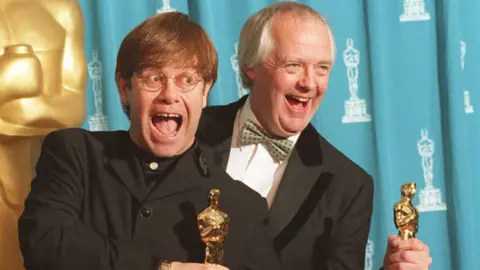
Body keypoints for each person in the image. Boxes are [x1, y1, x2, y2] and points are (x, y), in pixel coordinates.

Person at [18, 12, 280, 270]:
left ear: (205, 92)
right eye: (153, 78)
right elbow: (43, 243)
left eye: (186, 80)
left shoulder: (243, 206)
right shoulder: (74, 154)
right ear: (124, 88)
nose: (169, 94)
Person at [197, 2, 432, 269]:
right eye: (294, 65)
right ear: (251, 65)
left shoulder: (347, 186)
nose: (309, 83)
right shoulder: (192, 133)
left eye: (322, 68)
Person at [0, 1, 87, 269]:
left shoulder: (61, 9)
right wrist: (6, 83)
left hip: (43, 179)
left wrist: (25, 107)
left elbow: (75, 103)